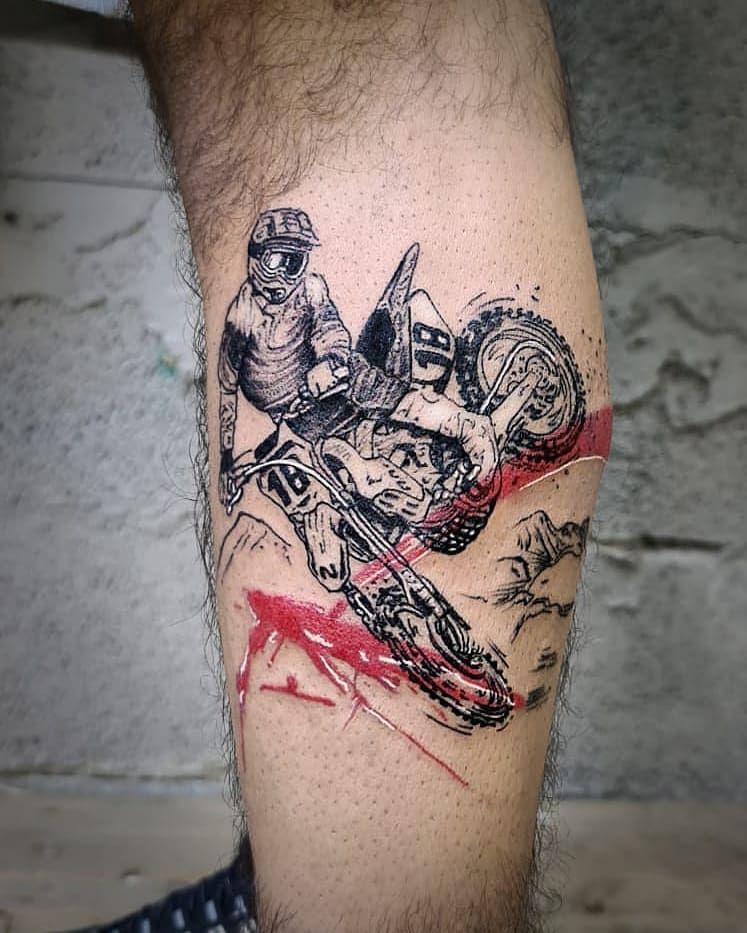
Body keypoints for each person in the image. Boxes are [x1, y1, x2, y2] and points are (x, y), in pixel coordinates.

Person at [128, 1, 612, 931]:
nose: (282, 268)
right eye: (275, 255)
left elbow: (332, 351)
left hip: (336, 401)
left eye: (291, 254)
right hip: (290, 432)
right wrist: (236, 460)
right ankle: (306, 875)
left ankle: (372, 901)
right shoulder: (244, 321)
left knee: (367, 48)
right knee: (324, 533)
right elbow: (234, 398)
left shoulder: (312, 291)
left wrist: (336, 376)